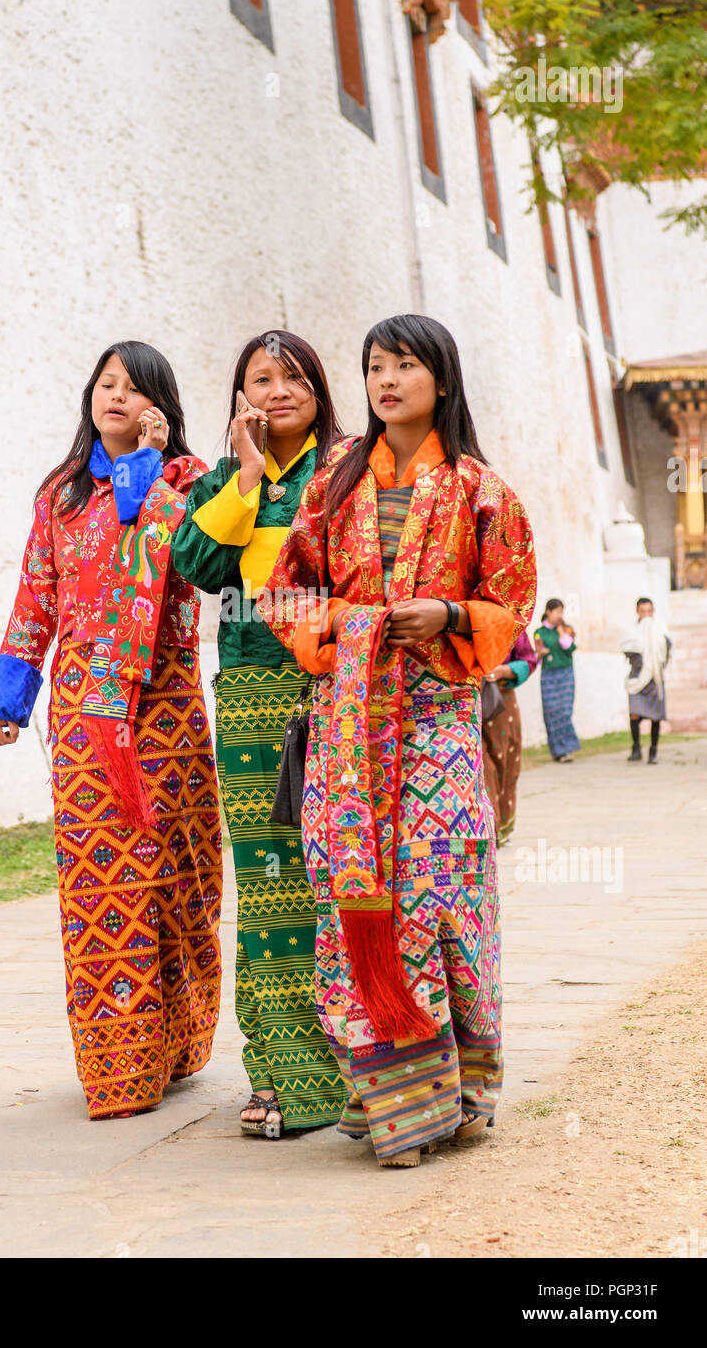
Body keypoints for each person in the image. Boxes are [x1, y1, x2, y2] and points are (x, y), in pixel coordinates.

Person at [260, 313, 536, 1167]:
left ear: (442, 382)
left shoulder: (484, 492)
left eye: (406, 365)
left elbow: (514, 613)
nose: (386, 379)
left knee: (439, 898)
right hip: (348, 729)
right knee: (359, 906)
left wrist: (450, 613)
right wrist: (357, 625)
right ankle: (393, 1108)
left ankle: (460, 1094)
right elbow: (284, 592)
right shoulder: (329, 488)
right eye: (376, 365)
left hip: (441, 726)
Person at [0, 341, 223, 1120]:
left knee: (180, 873)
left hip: (164, 695)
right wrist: (6, 698)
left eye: (135, 387)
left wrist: (150, 458)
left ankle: (179, 1041)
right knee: (100, 877)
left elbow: (147, 535)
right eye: (106, 383)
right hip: (87, 707)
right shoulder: (58, 495)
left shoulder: (188, 482)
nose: (116, 395)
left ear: (162, 403)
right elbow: (35, 597)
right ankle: (119, 1067)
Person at [172, 330, 347, 1138]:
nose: (277, 391)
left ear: (318, 386)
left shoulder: (346, 468)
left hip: (334, 692)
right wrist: (244, 479)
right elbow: (196, 562)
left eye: (291, 376)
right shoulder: (225, 478)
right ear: (240, 398)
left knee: (333, 880)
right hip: (249, 695)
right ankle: (280, 1071)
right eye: (259, 379)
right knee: (271, 887)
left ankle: (357, 1064)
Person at [482, 630, 537, 846]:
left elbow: (528, 660)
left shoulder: (512, 623)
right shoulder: (457, 614)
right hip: (465, 697)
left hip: (500, 698)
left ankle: (501, 825)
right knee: (482, 764)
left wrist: (503, 670)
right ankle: (488, 827)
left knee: (505, 761)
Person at [621, 596, 671, 764]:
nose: (646, 615)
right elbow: (627, 649)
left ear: (653, 611)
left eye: (649, 611)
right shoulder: (631, 631)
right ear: (638, 612)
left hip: (654, 678)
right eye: (643, 612)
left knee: (655, 716)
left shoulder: (661, 630)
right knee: (634, 713)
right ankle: (636, 748)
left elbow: (666, 650)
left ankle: (653, 750)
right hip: (637, 677)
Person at [533, 599, 580, 762]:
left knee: (565, 710)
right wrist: (540, 653)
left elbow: (569, 647)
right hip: (548, 674)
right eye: (557, 611)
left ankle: (567, 748)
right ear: (548, 611)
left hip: (565, 673)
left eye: (562, 612)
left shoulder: (567, 629)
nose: (560, 615)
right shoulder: (540, 632)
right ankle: (558, 750)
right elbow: (537, 654)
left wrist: (561, 632)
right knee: (551, 711)